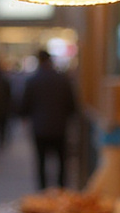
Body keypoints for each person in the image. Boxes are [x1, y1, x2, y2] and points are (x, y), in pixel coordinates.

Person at [19, 49, 78, 190]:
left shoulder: (33, 81)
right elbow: (72, 106)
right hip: (60, 127)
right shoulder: (62, 80)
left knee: (41, 161)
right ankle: (61, 190)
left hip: (39, 127)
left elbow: (24, 106)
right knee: (61, 162)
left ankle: (43, 191)